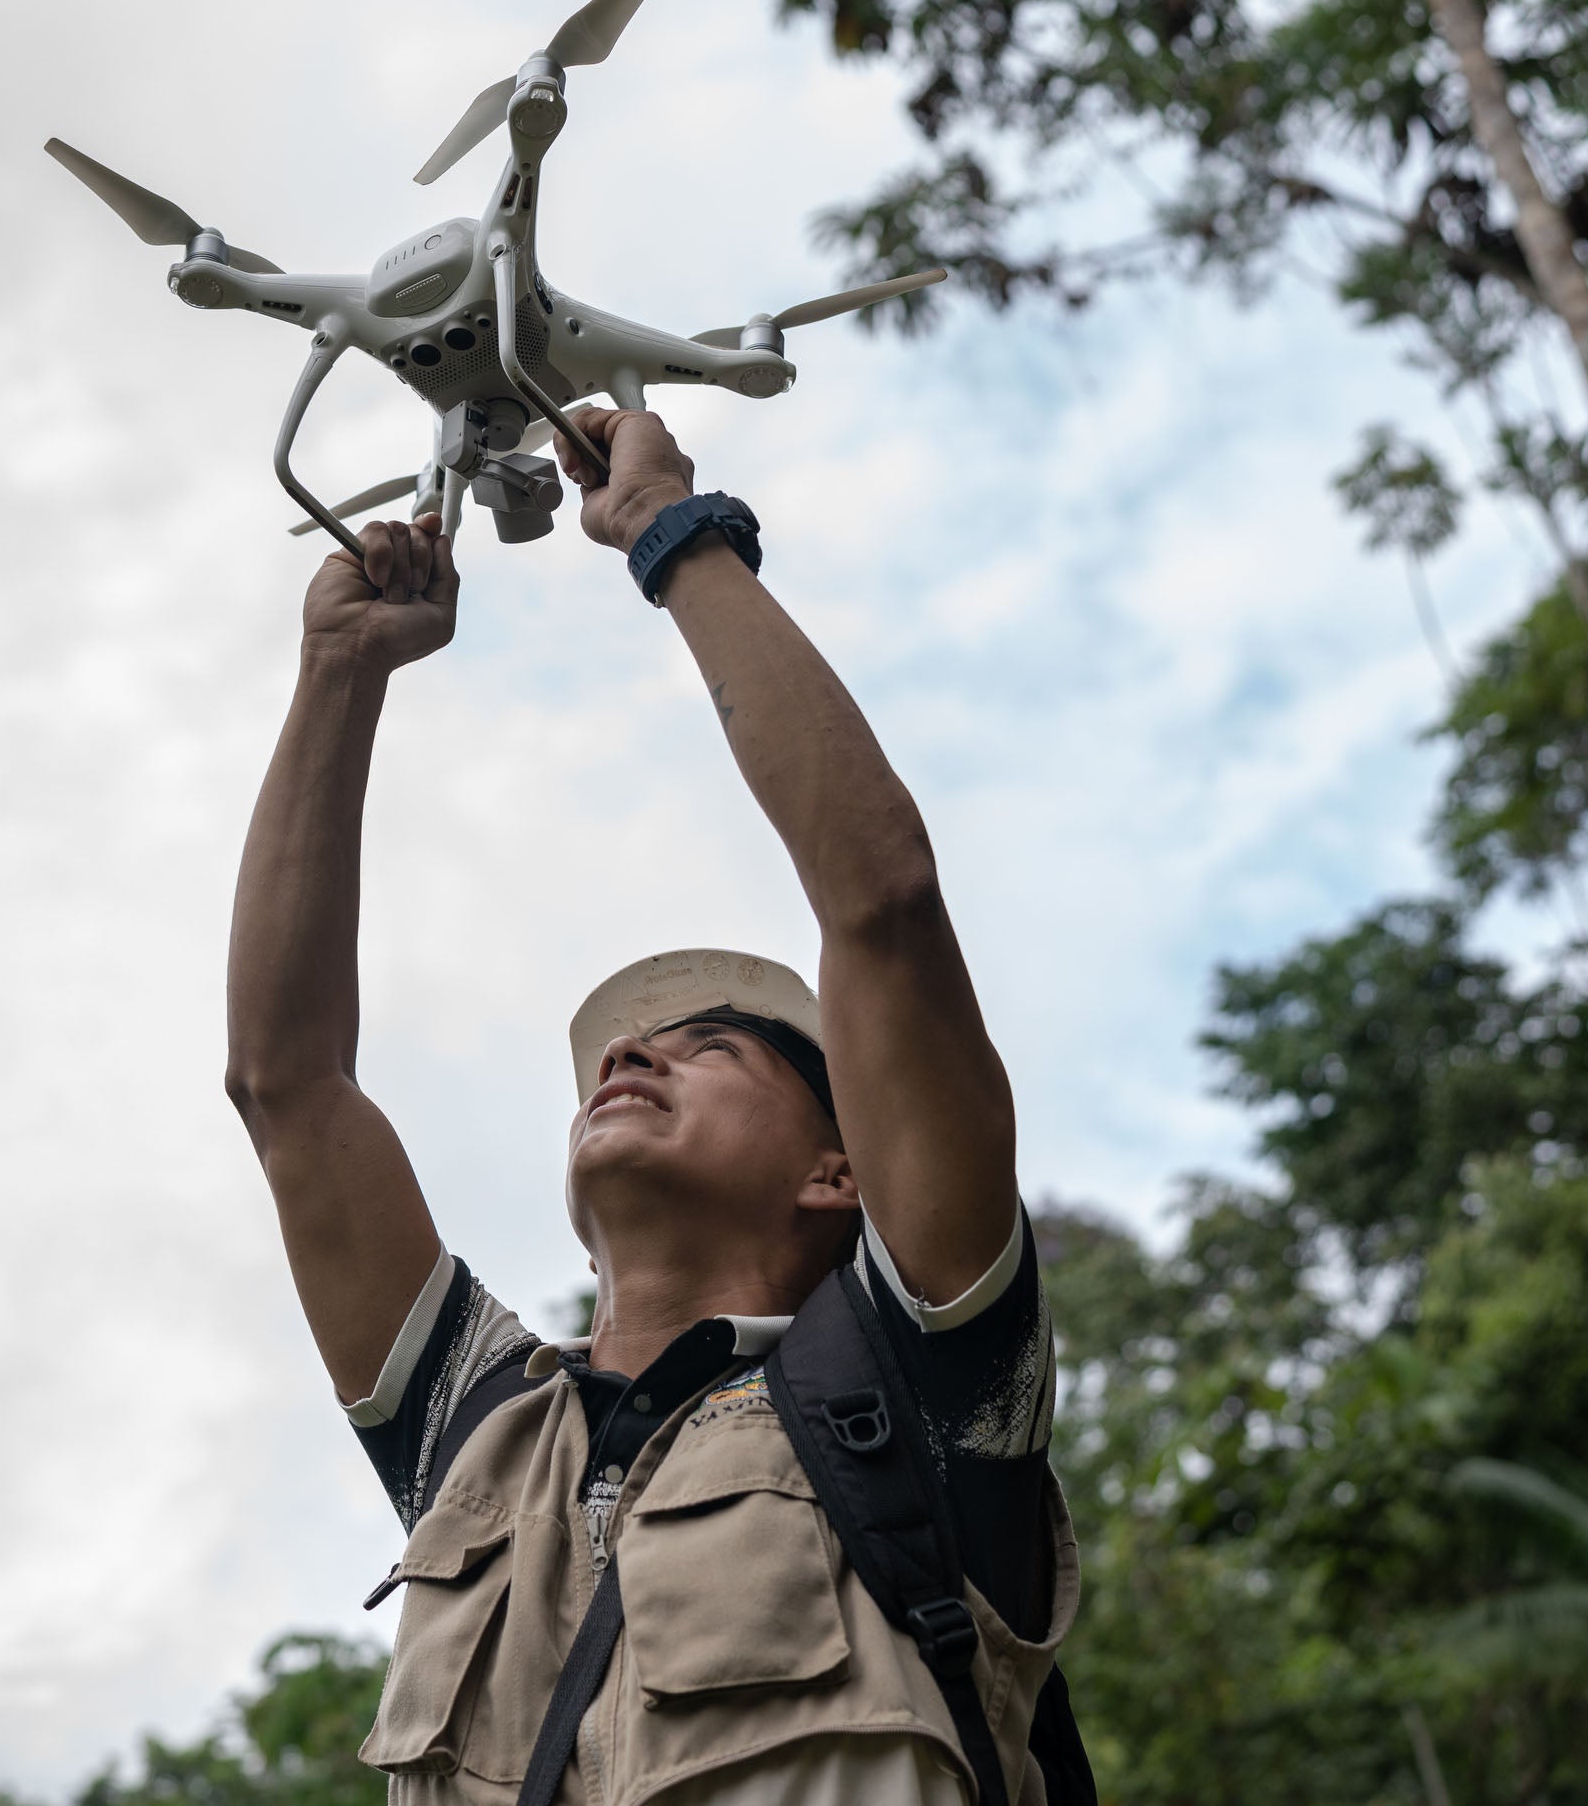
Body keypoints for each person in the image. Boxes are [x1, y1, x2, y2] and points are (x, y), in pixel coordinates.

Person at [222, 408, 1080, 1806]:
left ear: (839, 1170)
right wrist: (338, 677)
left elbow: (883, 904)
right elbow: (287, 1085)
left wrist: (675, 538)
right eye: (626, 1047)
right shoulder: (476, 1427)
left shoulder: (918, 1387)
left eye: (710, 1048)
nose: (632, 1052)